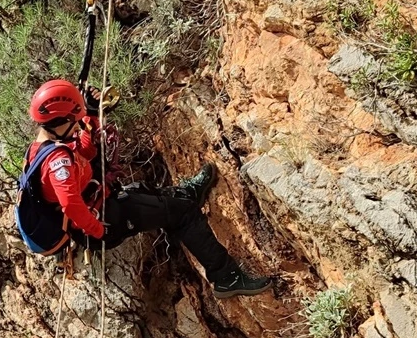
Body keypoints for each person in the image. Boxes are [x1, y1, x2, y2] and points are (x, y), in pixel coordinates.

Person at [17, 79, 271, 299]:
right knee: (183, 213)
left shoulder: (39, 149)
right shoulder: (56, 162)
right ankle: (226, 277)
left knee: (144, 191)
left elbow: (86, 153)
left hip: (102, 205)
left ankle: (187, 195)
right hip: (105, 220)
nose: (76, 126)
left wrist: (91, 116)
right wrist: (98, 230)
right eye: (74, 121)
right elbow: (71, 204)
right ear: (59, 120)